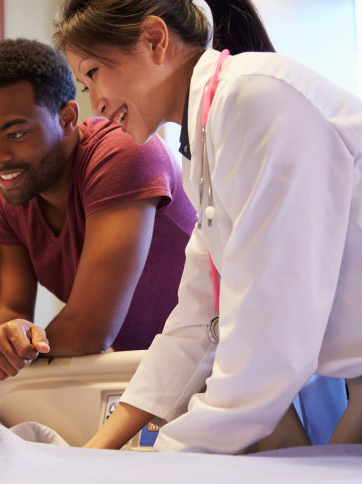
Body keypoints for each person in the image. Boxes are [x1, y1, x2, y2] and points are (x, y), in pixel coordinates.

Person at [54, 0, 362, 453]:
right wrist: (99, 449)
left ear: (155, 40)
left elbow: (271, 345)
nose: (95, 104)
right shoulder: (205, 142)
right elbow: (199, 318)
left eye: (94, 72)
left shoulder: (254, 98)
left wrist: (167, 455)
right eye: (84, 85)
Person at [0, 38, 196, 381]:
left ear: (67, 118)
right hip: (150, 372)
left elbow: (89, 330)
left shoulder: (123, 154)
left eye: (15, 134)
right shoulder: (5, 195)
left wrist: (25, 352)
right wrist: (6, 338)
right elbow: (11, 307)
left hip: (221, 356)